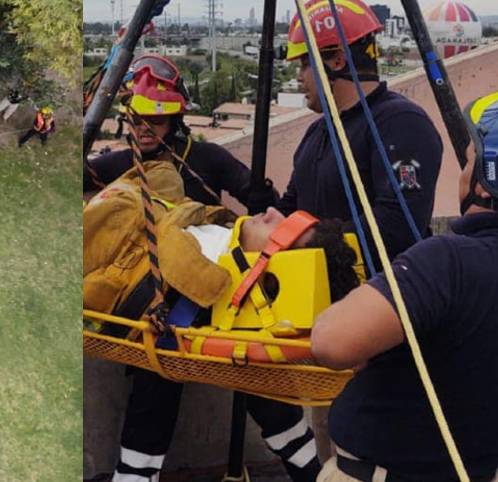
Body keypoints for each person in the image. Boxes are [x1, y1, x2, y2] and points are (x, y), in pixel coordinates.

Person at [310, 84, 498, 482]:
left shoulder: (447, 261)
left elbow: (331, 341)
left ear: (487, 184)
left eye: (470, 161)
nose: (463, 171)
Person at [86, 163, 358, 482]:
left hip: (128, 231)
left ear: (272, 273)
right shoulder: (221, 245)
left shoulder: (199, 279)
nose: (270, 211)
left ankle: (133, 476)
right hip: (154, 210)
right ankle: (311, 472)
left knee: (168, 363)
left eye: (282, 229)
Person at [275, 0, 444, 275]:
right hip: (312, 293)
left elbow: (397, 225)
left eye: (305, 65)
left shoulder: (401, 124)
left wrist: (307, 243)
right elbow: (292, 207)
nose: (299, 77)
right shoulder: (319, 131)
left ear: (338, 61)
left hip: (381, 301)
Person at [85, 55, 274, 208]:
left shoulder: (208, 158)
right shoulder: (117, 165)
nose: (144, 129)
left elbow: (253, 191)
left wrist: (262, 196)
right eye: (135, 120)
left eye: (155, 120)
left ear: (174, 120)